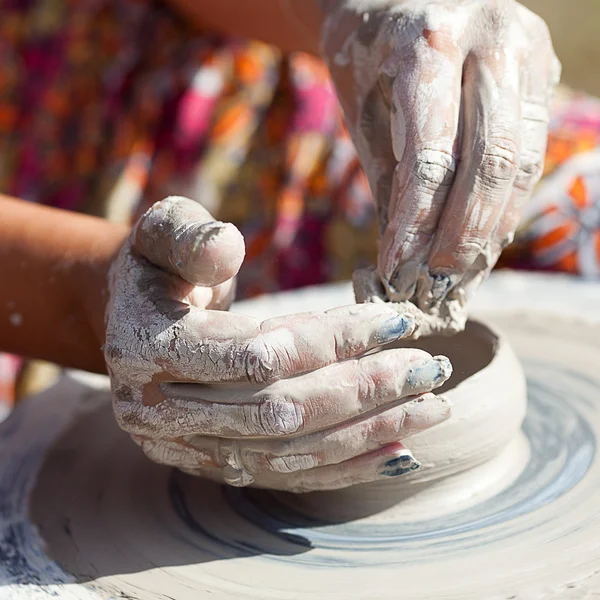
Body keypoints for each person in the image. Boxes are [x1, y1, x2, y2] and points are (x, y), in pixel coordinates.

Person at [1, 0, 598, 491]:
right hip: (27, 218)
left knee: (574, 209)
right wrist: (84, 286)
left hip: (240, 81)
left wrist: (360, 10)